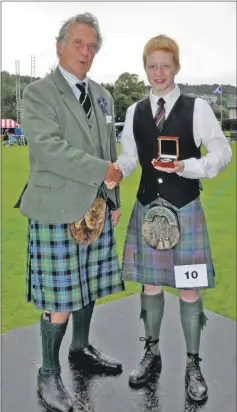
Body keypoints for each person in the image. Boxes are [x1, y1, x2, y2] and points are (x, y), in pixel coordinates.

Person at [108, 34, 232, 401]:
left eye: (165, 65)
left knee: (190, 288)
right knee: (150, 285)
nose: (158, 72)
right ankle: (152, 352)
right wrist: (117, 169)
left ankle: (194, 363)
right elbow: (130, 156)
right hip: (148, 209)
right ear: (144, 68)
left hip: (186, 209)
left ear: (177, 67)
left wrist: (189, 167)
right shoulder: (134, 111)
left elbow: (222, 151)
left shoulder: (197, 108)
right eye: (152, 65)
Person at [15, 13, 123, 412]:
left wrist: (113, 200)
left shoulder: (103, 95)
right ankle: (47, 372)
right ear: (60, 45)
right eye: (78, 43)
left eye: (93, 46)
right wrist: (103, 172)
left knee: (88, 284)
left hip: (96, 209)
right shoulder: (38, 93)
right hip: (56, 208)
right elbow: (47, 148)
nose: (86, 51)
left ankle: (79, 349)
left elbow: (111, 151)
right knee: (60, 296)